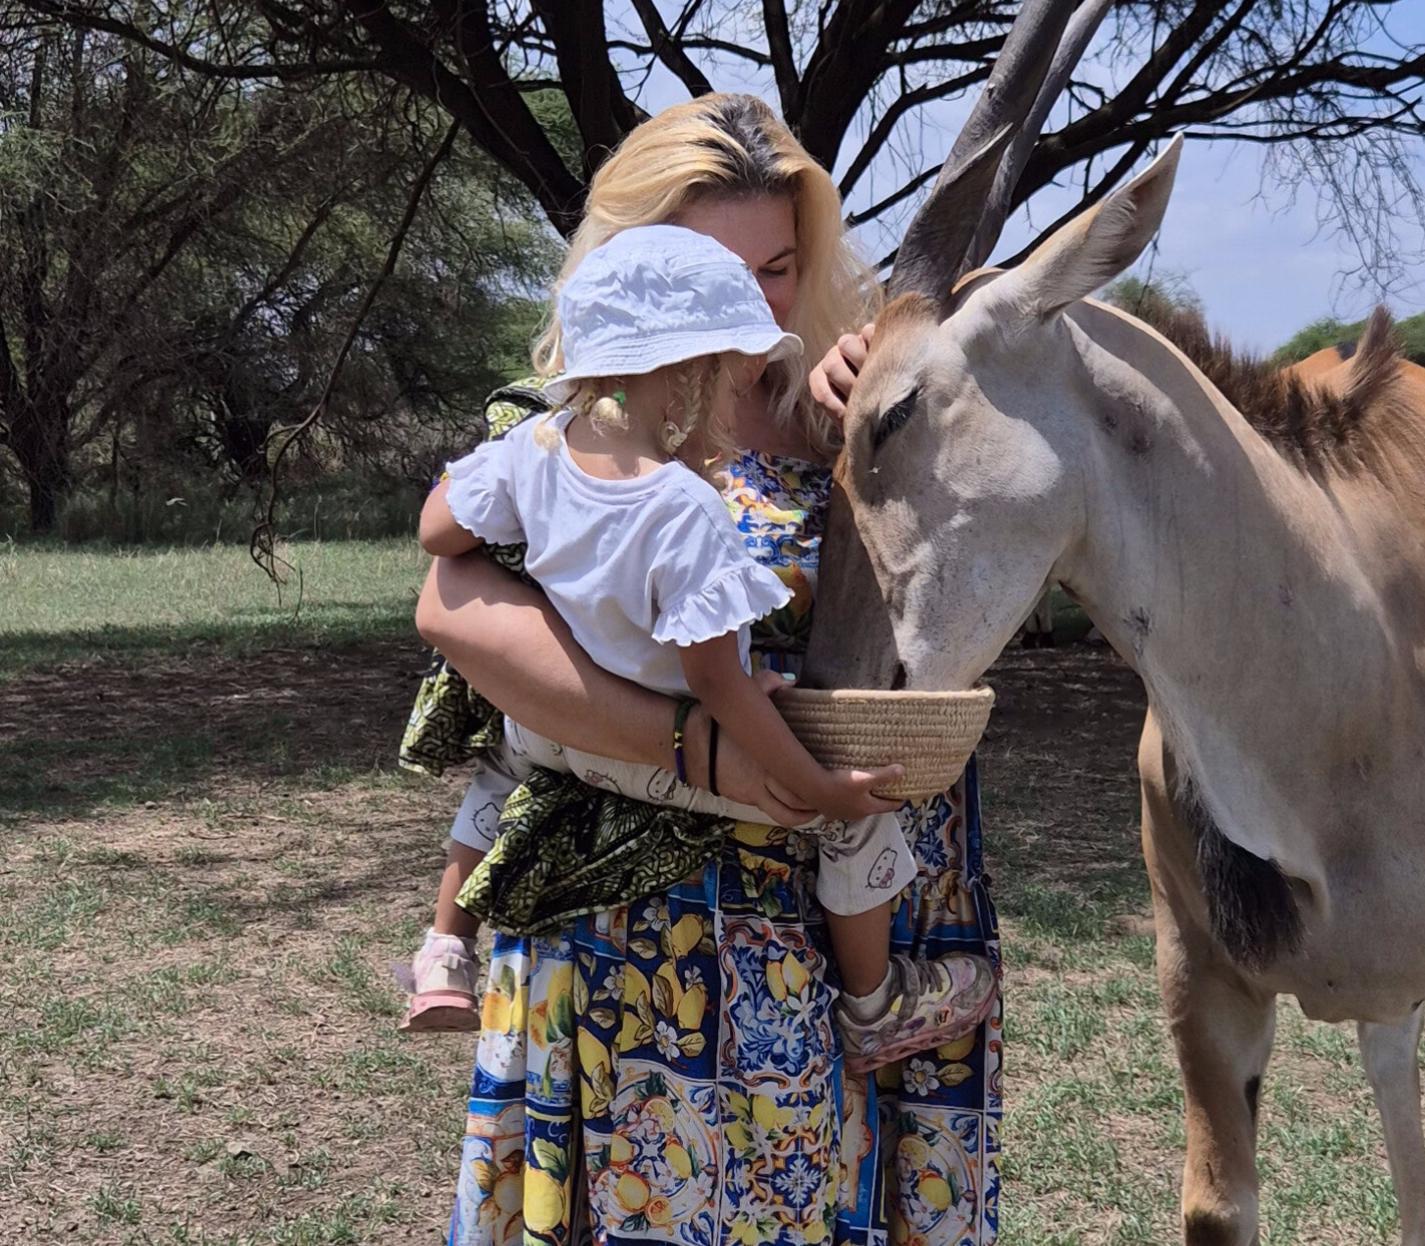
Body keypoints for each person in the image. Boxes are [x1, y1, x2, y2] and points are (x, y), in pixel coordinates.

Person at [421, 93, 1002, 1246]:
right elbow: (445, 605)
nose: (752, 311)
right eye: (714, 270)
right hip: (644, 920)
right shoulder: (576, 424)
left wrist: (847, 428)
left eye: (779, 270)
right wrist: (696, 753)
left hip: (801, 902)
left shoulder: (817, 417)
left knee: (812, 1223)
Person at [417, 222, 993, 1071]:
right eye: (733, 382)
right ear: (680, 380)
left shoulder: (531, 452)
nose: (743, 406)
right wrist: (818, 788)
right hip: (673, 758)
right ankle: (876, 1005)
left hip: (554, 737)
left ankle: (442, 953)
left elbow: (437, 531)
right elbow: (716, 688)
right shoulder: (686, 511)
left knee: (499, 767)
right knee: (860, 834)